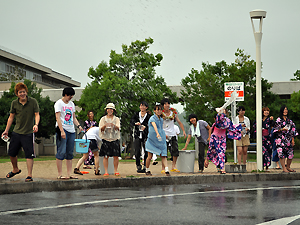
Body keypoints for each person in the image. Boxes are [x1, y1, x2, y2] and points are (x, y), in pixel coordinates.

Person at [2, 82, 40, 182]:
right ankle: (15, 169)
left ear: (26, 92)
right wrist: (6, 130)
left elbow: (37, 114)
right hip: (16, 131)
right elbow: (11, 117)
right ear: (17, 94)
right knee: (11, 152)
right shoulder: (14, 103)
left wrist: (36, 124)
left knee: (29, 154)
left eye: (23, 92)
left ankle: (29, 175)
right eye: (20, 92)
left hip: (28, 132)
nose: (22, 94)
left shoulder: (33, 101)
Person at [55, 87, 83, 180]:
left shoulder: (72, 104)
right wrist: (62, 131)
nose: (71, 97)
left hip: (71, 130)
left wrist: (78, 126)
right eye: (70, 95)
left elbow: (73, 117)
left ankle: (69, 173)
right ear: (65, 94)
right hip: (62, 129)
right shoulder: (59, 103)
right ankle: (60, 174)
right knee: (61, 151)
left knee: (69, 152)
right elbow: (58, 118)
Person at [205, 109, 242, 174]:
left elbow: (232, 127)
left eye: (224, 111)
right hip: (215, 138)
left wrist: (239, 127)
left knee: (221, 153)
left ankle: (222, 168)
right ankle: (207, 159)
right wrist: (219, 113)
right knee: (211, 149)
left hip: (222, 139)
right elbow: (219, 118)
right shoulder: (218, 120)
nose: (223, 112)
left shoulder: (227, 121)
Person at [161, 98, 186, 173]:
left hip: (172, 134)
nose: (167, 105)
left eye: (168, 103)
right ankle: (163, 168)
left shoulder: (173, 113)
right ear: (163, 106)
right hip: (164, 134)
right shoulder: (160, 113)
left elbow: (179, 121)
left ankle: (173, 166)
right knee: (163, 151)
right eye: (165, 104)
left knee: (175, 151)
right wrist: (162, 133)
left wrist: (183, 131)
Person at [145, 103, 170, 176]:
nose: (159, 111)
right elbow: (154, 125)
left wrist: (163, 134)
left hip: (160, 139)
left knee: (163, 154)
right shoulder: (152, 118)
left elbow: (161, 128)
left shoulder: (161, 119)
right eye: (157, 110)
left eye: (160, 110)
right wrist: (157, 133)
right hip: (152, 139)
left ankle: (166, 169)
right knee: (150, 156)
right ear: (154, 111)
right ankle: (147, 169)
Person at [273, 105, 298, 173]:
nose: (285, 111)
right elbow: (275, 130)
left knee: (290, 154)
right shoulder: (278, 120)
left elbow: (293, 130)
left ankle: (288, 167)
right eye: (284, 110)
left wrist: (293, 140)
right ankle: (284, 168)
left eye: (286, 109)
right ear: (282, 111)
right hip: (280, 139)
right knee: (281, 154)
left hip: (288, 139)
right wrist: (282, 129)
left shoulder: (290, 121)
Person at [99, 103, 121, 176]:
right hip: (106, 138)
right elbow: (100, 129)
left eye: (111, 109)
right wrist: (105, 126)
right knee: (106, 156)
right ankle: (106, 171)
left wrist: (113, 125)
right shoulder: (103, 119)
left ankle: (116, 170)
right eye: (108, 109)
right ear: (106, 110)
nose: (110, 110)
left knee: (116, 156)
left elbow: (119, 128)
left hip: (114, 138)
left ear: (113, 110)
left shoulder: (116, 119)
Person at [130, 101, 151, 173]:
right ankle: (138, 165)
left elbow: (150, 124)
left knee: (146, 150)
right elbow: (131, 121)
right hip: (137, 134)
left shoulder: (148, 116)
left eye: (144, 106)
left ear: (146, 107)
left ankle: (145, 165)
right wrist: (136, 123)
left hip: (145, 135)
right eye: (141, 106)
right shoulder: (136, 115)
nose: (142, 107)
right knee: (137, 150)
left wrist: (145, 126)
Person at [253, 107, 275, 171]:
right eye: (265, 111)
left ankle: (267, 166)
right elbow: (254, 126)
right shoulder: (259, 119)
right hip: (261, 137)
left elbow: (273, 125)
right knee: (262, 152)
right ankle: (261, 165)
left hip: (268, 138)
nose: (266, 112)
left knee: (268, 152)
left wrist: (271, 120)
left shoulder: (269, 120)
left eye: (267, 111)